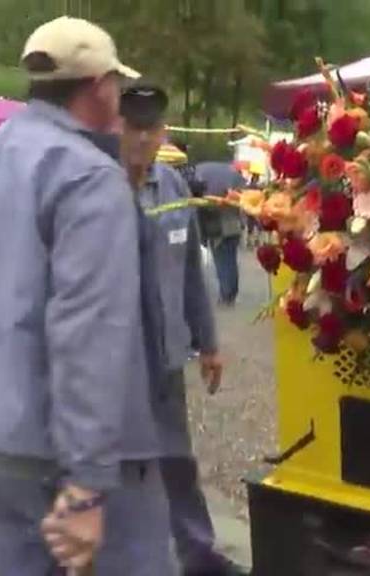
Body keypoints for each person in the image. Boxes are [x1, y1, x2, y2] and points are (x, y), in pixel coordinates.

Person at [0, 16, 173, 574]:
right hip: (63, 461)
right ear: (99, 87)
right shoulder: (87, 177)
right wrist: (87, 484)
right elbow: (90, 332)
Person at [119, 83, 244, 576]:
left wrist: (209, 343)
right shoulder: (96, 187)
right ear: (116, 126)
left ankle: (199, 554)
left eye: (153, 127)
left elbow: (191, 271)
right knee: (122, 470)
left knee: (176, 460)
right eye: (134, 126)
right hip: (116, 360)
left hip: (168, 358)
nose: (143, 137)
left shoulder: (172, 186)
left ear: (164, 131)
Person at [195, 161, 244, 305]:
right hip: (234, 226)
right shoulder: (233, 179)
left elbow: (204, 210)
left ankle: (226, 294)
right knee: (230, 260)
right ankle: (231, 292)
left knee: (222, 262)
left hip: (219, 229)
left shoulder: (202, 178)